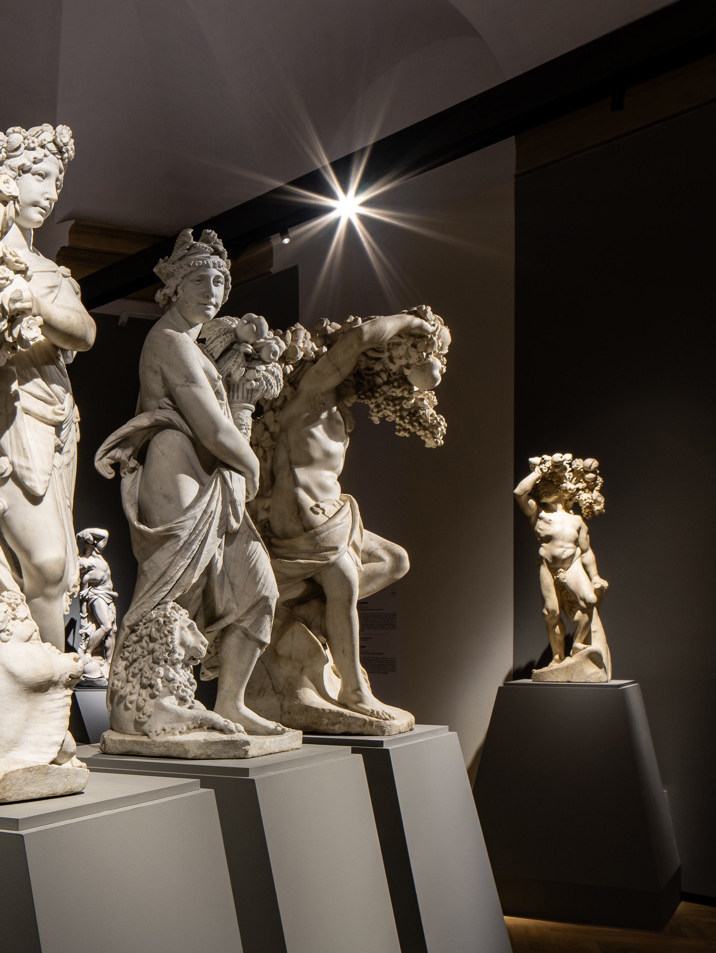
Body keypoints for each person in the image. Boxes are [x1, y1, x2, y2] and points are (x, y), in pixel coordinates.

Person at [95, 229, 287, 737]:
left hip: (208, 476)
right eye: (199, 281)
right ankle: (146, 705)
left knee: (257, 589)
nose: (211, 291)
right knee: (175, 587)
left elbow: (226, 421)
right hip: (175, 465)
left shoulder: (194, 347)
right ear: (174, 288)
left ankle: (231, 702)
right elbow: (212, 428)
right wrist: (253, 466)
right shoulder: (168, 341)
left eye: (219, 283)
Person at [255, 310, 444, 726]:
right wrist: (408, 322)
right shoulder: (312, 394)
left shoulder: (338, 413)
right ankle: (354, 691)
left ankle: (316, 610)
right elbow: (357, 337)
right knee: (343, 580)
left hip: (335, 512)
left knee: (395, 560)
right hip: (299, 512)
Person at [0, 128, 96, 650]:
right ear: (8, 177)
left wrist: (35, 305)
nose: (49, 193)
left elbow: (85, 332)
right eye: (39, 176)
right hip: (8, 411)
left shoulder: (49, 271)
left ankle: (49, 686)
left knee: (60, 572)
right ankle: (46, 683)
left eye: (57, 183)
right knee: (46, 562)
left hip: (57, 412)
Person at [514, 454, 611, 679]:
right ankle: (557, 657)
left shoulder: (576, 521)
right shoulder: (537, 513)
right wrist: (539, 472)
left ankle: (577, 645)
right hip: (548, 567)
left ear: (561, 488)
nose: (541, 489)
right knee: (551, 613)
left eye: (547, 485)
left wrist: (595, 576)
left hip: (572, 565)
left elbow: (586, 551)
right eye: (540, 487)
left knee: (589, 600)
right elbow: (519, 492)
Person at [68, 527, 119, 678]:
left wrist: (82, 533)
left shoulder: (98, 553)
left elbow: (104, 534)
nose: (89, 546)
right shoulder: (86, 569)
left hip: (108, 596)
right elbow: (83, 596)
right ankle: (87, 652)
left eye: (90, 543)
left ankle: (108, 663)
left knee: (112, 630)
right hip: (97, 597)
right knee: (106, 626)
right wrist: (84, 617)